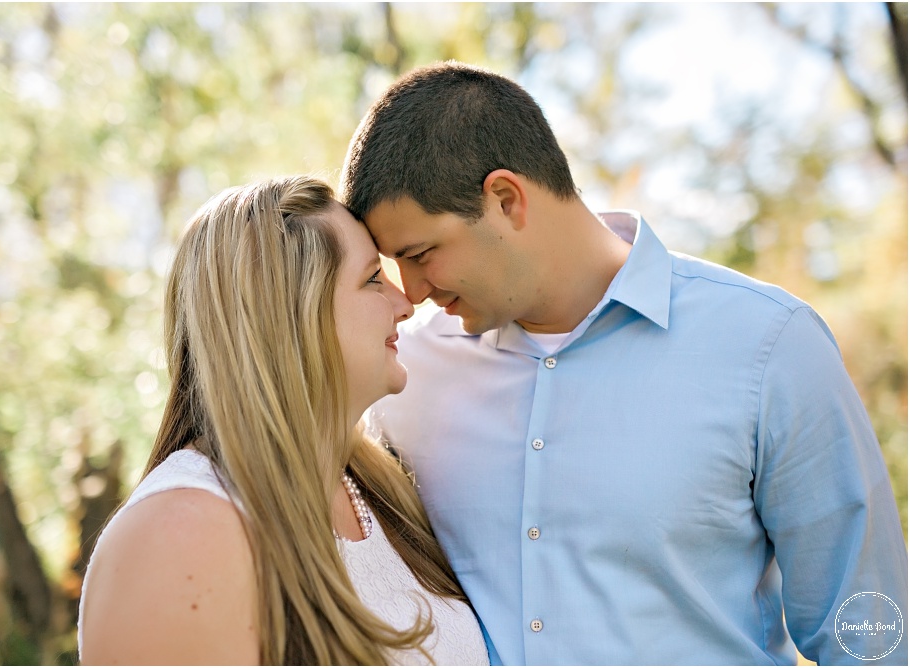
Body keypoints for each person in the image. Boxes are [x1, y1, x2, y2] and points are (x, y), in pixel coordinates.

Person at [341, 61, 909, 665]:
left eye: (421, 253)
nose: (412, 292)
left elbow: (870, 634)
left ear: (506, 199)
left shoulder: (770, 347)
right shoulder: (405, 376)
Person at [77, 176, 490, 665]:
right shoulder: (179, 537)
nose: (405, 305)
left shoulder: (383, 491)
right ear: (294, 316)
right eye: (372, 280)